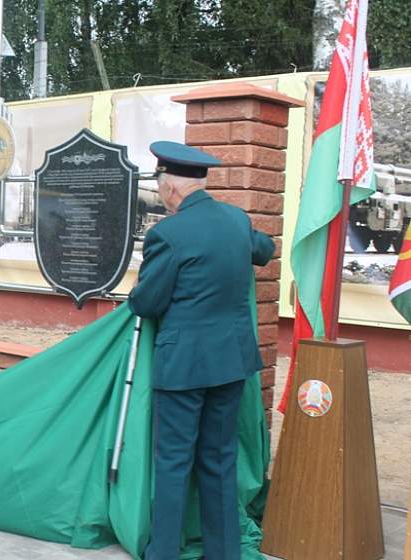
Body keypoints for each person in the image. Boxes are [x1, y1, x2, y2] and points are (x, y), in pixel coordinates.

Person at [128, 141, 275, 560]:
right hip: (231, 363)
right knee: (219, 461)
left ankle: (164, 555)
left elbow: (147, 303)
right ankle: (224, 554)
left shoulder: (166, 234)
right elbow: (264, 251)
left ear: (170, 187)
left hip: (184, 367)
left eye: (160, 188)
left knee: (174, 464)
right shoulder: (235, 219)